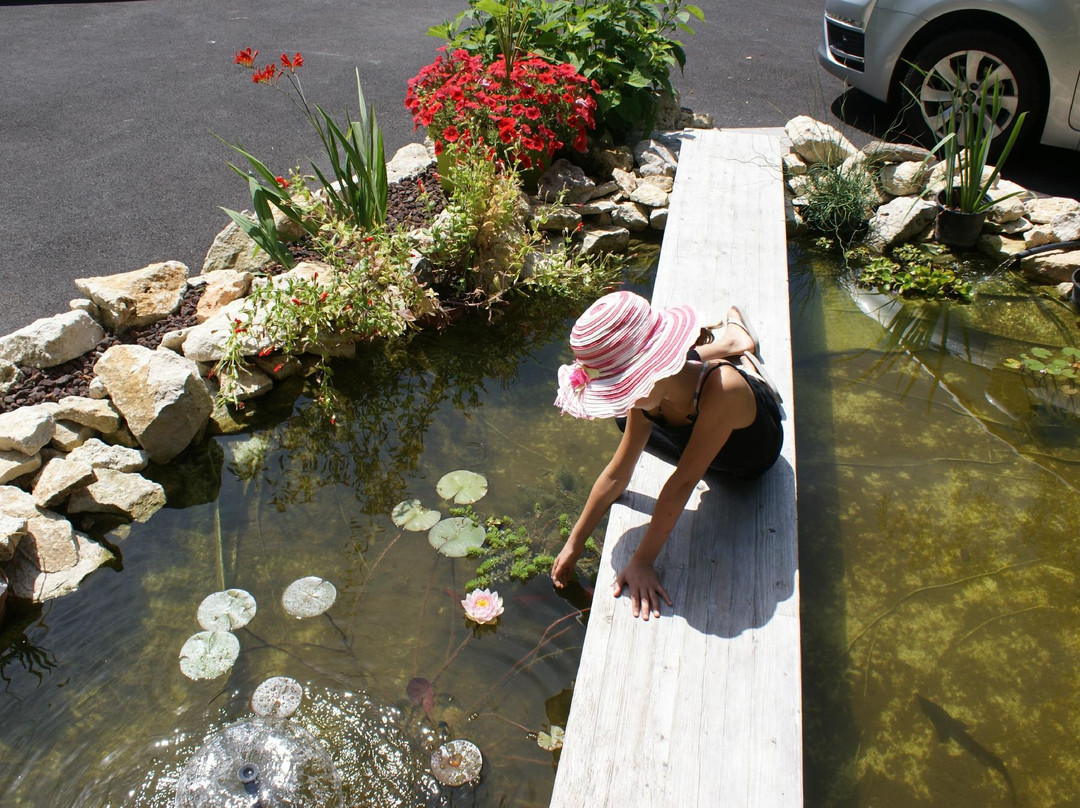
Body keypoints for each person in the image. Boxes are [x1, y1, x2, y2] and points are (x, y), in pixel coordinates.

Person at [550, 290, 783, 620]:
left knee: (693, 387)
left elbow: (682, 483)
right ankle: (730, 342)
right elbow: (618, 473)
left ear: (648, 375)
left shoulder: (723, 391)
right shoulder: (644, 400)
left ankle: (741, 358)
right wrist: (575, 542)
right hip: (684, 402)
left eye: (623, 389)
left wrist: (642, 561)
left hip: (746, 456)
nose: (622, 399)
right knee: (626, 418)